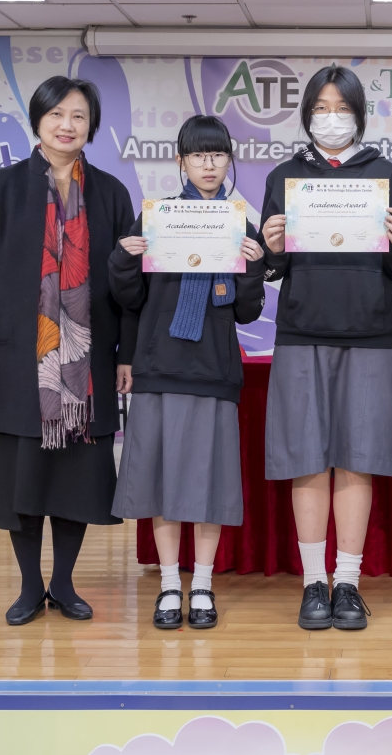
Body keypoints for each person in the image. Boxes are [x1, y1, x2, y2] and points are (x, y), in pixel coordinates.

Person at [0, 76, 136, 626]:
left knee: (76, 480)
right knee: (24, 477)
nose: (67, 125)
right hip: (17, 361)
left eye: (78, 116)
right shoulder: (1, 187)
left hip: (86, 365)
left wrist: (126, 352)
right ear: (37, 120)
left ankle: (63, 582)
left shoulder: (110, 193)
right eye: (56, 114)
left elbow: (129, 283)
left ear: (91, 126)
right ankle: (31, 586)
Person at [258, 65, 392, 630]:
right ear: (307, 115)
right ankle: (313, 584)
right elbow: (273, 268)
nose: (332, 119)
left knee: (358, 458)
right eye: (321, 109)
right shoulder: (285, 176)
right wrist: (271, 247)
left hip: (370, 334)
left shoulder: (385, 174)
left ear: (359, 116)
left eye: (342, 109)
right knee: (306, 458)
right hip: (302, 332)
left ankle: (347, 582)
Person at [110, 115, 266, 629]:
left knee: (208, 482)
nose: (209, 164)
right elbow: (130, 298)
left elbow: (247, 312)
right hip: (160, 366)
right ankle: (169, 584)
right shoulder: (157, 218)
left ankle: (202, 584)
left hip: (214, 369)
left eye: (218, 155)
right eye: (199, 155)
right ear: (181, 161)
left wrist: (253, 268)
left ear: (229, 160)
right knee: (162, 483)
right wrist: (123, 260)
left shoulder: (240, 225)